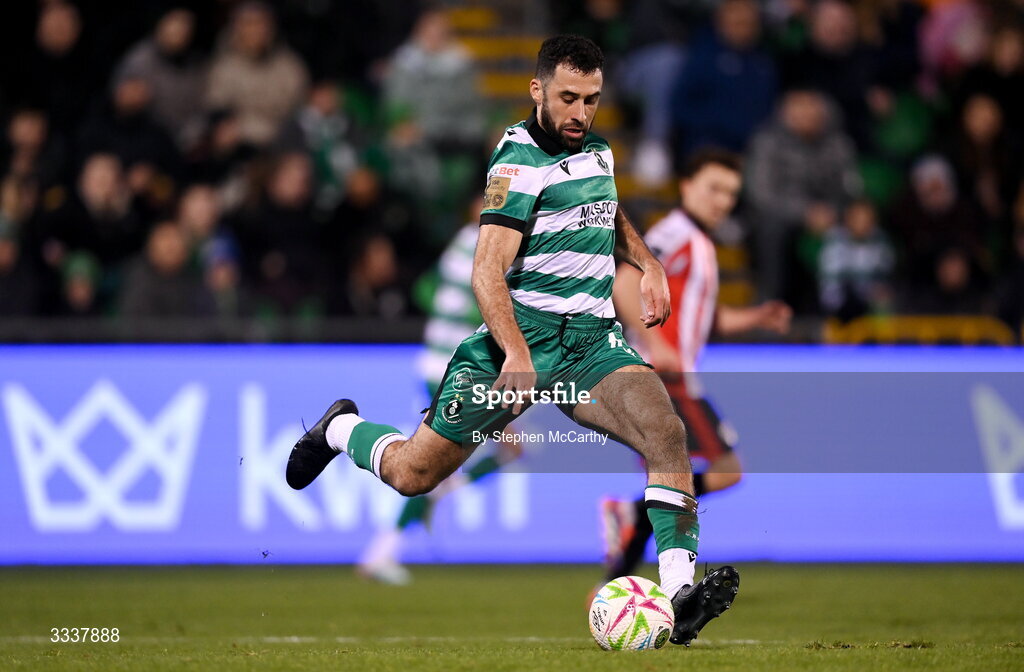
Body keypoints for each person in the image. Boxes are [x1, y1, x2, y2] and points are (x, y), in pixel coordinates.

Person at [287, 35, 738, 646]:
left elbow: (605, 211)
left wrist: (648, 262)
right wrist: (520, 356)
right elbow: (485, 270)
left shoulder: (598, 151)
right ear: (537, 90)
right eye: (569, 98)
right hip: (515, 346)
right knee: (416, 473)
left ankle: (680, 596)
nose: (581, 113)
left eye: (593, 100)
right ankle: (340, 428)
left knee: (666, 432)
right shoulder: (517, 162)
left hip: (590, 343)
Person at [601, 148, 791, 583]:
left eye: (731, 193)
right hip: (665, 377)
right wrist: (653, 342)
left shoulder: (701, 243)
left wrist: (757, 317)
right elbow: (625, 280)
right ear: (686, 186)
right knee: (722, 472)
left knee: (674, 478)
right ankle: (650, 548)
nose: (723, 200)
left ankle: (613, 579)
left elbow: (708, 319)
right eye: (714, 188)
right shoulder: (676, 233)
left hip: (675, 376)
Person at [357, 198, 522, 585]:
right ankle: (384, 548)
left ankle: (427, 505)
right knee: (502, 450)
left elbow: (426, 288)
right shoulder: (492, 243)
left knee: (499, 451)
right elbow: (490, 306)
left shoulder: (463, 240)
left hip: (437, 361)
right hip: (456, 369)